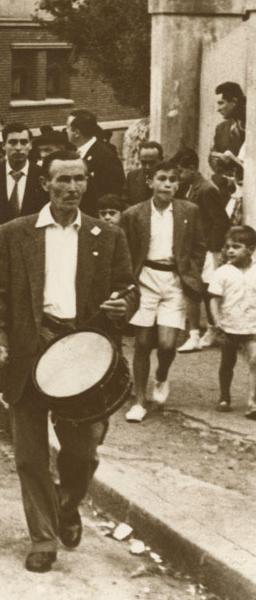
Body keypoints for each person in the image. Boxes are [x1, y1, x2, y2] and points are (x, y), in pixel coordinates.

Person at [0, 149, 136, 573]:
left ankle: (66, 506)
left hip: (84, 359)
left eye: (79, 179)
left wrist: (124, 305)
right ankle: (43, 539)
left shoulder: (108, 236)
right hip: (28, 354)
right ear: (45, 184)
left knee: (83, 453)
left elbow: (127, 288)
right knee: (30, 457)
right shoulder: (14, 233)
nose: (71, 188)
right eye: (62, 180)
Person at [121, 161, 206, 423]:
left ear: (178, 185)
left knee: (168, 344)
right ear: (150, 182)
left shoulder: (189, 210)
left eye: (172, 180)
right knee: (143, 342)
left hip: (174, 280)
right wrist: (128, 281)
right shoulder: (134, 214)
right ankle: (139, 401)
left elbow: (198, 246)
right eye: (161, 178)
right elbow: (125, 251)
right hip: (145, 279)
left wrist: (190, 272)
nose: (167, 184)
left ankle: (162, 375)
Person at [174, 148, 231, 352]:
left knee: (206, 290)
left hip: (206, 248)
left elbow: (221, 222)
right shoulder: (189, 188)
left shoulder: (206, 190)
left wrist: (211, 249)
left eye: (181, 171)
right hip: (195, 247)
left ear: (191, 168)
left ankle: (211, 330)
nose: (178, 176)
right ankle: (206, 330)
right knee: (198, 289)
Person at [207, 225, 256, 417]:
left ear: (250, 249)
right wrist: (216, 321)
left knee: (255, 361)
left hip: (252, 327)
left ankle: (253, 402)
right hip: (229, 326)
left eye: (236, 247)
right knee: (227, 363)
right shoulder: (223, 272)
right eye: (227, 247)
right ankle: (224, 396)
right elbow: (214, 298)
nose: (230, 251)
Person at [0, 121, 48, 230]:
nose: (18, 147)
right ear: (4, 145)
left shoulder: (42, 175)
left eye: (24, 142)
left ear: (30, 145)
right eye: (13, 142)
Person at [66, 110, 125, 217]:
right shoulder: (77, 153)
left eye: (68, 127)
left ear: (77, 132)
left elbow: (111, 196)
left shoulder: (106, 157)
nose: (66, 131)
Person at [122, 141, 163, 208]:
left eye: (152, 163)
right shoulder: (132, 176)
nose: (147, 167)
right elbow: (125, 202)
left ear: (161, 160)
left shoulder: (169, 179)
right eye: (144, 162)